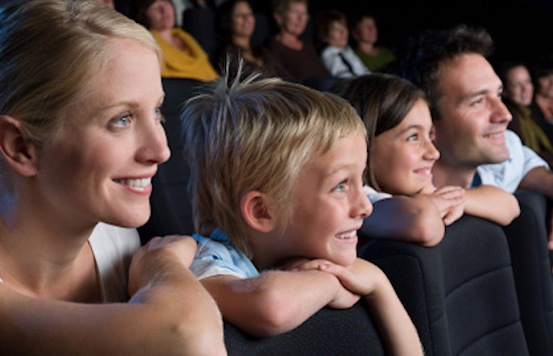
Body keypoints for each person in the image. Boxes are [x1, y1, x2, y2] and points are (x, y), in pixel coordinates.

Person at [0, 1, 225, 355]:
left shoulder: (117, 241)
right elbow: (187, 336)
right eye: (122, 119)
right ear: (21, 146)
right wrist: (161, 266)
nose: (162, 151)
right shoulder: (139, 258)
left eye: (157, 112)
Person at [181, 71, 424, 355]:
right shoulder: (203, 263)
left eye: (362, 181)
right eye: (341, 186)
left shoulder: (314, 247)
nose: (365, 206)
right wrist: (329, 282)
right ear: (263, 211)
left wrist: (380, 286)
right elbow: (271, 306)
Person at [394, 25, 553, 279]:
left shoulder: (499, 153)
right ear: (426, 120)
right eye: (477, 101)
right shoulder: (394, 203)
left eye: (498, 95)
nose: (505, 114)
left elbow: (526, 162)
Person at [335, 74, 519, 247]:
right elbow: (424, 224)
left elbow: (510, 206)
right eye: (413, 137)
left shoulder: (416, 197)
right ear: (363, 146)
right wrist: (431, 202)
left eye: (429, 135)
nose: (433, 153)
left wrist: (459, 200)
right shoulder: (359, 202)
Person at [132, 0, 219, 81]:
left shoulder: (186, 37)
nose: (164, 11)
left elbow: (209, 73)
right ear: (144, 16)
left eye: (166, 4)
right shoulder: (147, 46)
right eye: (155, 8)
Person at [264, 0, 331, 82]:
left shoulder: (308, 46)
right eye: (294, 12)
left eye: (304, 13)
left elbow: (325, 75)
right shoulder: (273, 46)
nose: (301, 18)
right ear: (279, 17)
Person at [215, 0, 285, 76]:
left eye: (249, 13)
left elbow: (287, 77)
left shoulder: (262, 52)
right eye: (239, 15)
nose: (246, 18)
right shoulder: (229, 53)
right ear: (228, 21)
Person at [315, 10, 369, 78]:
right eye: (336, 29)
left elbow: (364, 72)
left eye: (344, 27)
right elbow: (344, 78)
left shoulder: (348, 51)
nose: (343, 32)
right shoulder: (329, 53)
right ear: (325, 36)